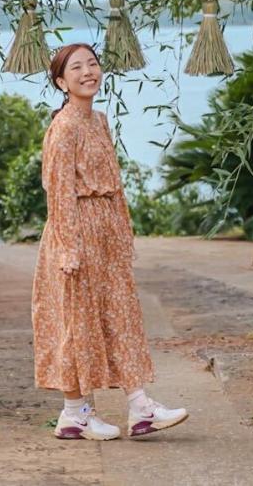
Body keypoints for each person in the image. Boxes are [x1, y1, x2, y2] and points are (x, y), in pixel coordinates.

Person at [31, 42, 190, 440]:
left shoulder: (98, 120)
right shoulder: (63, 127)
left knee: (119, 316)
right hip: (76, 231)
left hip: (105, 231)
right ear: (61, 81)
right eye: (77, 68)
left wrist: (122, 232)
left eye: (93, 64)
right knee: (76, 323)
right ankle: (75, 414)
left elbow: (115, 184)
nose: (88, 72)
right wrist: (68, 247)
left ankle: (140, 407)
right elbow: (59, 191)